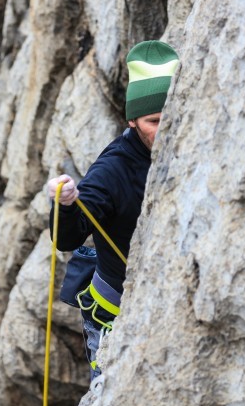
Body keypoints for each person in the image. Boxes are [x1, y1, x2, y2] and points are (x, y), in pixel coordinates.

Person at [46, 40, 179, 381]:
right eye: (154, 121)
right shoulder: (113, 169)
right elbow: (69, 237)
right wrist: (65, 204)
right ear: (132, 119)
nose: (165, 129)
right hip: (115, 311)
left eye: (172, 118)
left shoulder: (188, 141)